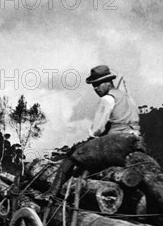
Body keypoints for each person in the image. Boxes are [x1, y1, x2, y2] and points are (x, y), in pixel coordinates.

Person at [36, 65, 145, 200]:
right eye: (94, 85)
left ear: (107, 82)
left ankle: (51, 193)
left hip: (118, 142)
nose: (96, 88)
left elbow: (97, 130)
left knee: (73, 155)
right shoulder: (128, 98)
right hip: (136, 140)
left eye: (98, 84)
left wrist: (88, 141)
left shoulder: (108, 99)